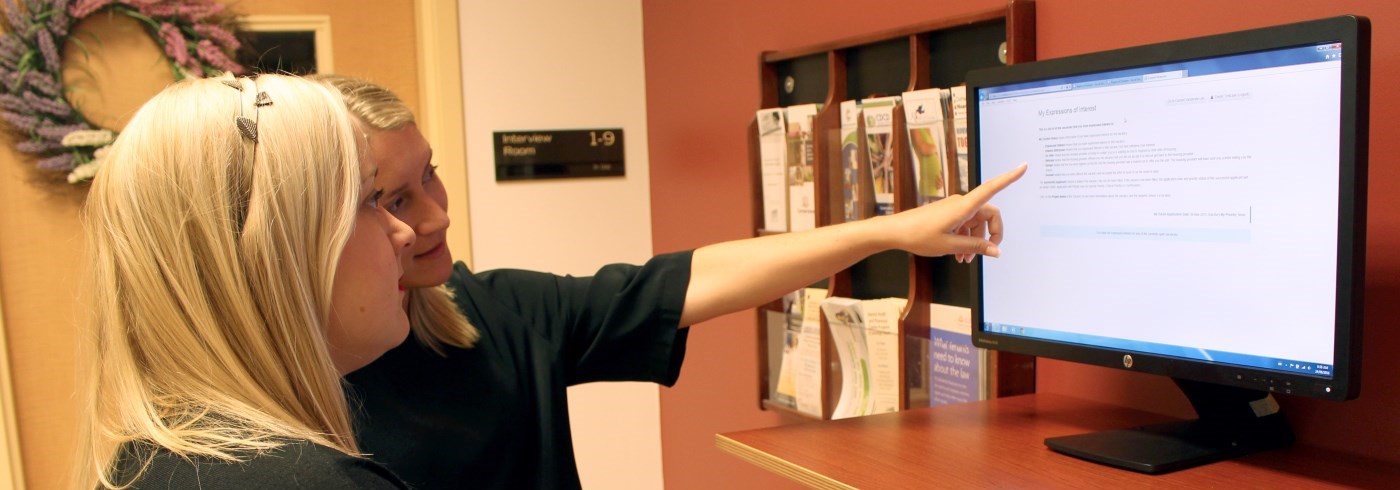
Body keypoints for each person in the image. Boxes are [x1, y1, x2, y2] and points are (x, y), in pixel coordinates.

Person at [320, 75, 1027, 489]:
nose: (436, 215)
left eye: (431, 175)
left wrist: (891, 229)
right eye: (396, 199)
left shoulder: (492, 312)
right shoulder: (285, 411)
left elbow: (693, 280)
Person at [74, 74, 418, 489]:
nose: (404, 232)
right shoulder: (314, 483)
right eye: (369, 200)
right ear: (275, 254)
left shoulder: (138, 467)